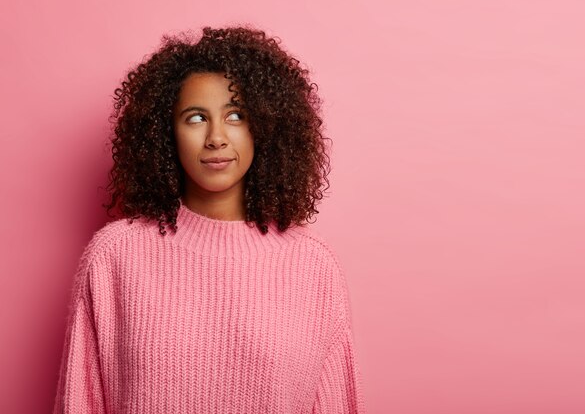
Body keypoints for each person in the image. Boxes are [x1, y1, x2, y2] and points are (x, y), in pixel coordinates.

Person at [53, 25, 366, 413]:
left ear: (264, 128)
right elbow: (82, 403)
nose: (216, 137)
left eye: (235, 115)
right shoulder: (115, 257)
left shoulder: (314, 267)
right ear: (166, 133)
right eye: (196, 118)